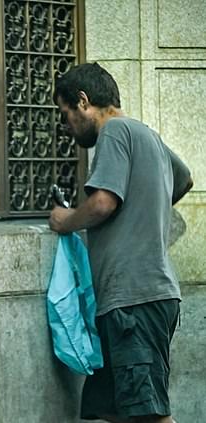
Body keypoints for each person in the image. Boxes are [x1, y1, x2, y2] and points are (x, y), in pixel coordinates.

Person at [49, 62, 193, 423]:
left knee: (149, 414)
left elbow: (102, 203)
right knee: (107, 409)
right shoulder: (147, 136)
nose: (68, 128)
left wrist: (66, 221)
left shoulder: (113, 131)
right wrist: (147, 205)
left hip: (135, 300)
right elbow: (184, 178)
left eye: (66, 116)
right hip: (131, 301)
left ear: (83, 101)